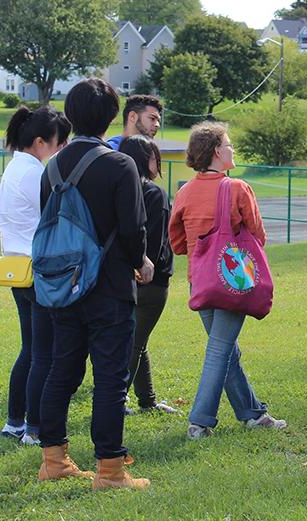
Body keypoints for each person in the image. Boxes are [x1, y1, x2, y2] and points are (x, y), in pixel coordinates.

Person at [37, 78, 153, 489]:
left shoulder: (52, 166)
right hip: (109, 288)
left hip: (63, 287)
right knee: (110, 378)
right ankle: (110, 471)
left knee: (60, 370)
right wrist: (140, 262)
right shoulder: (121, 164)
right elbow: (133, 229)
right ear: (112, 117)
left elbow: (48, 225)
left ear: (71, 114)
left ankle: (53, 460)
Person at [168, 122, 286, 440]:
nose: (233, 149)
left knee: (225, 349)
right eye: (229, 144)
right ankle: (200, 421)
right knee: (220, 349)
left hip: (200, 281)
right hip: (232, 279)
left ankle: (252, 415)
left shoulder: (184, 191)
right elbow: (258, 235)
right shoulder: (237, 188)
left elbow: (177, 243)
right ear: (218, 152)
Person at [0, 106, 71, 445]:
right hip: (37, 271)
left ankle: (15, 422)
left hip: (16, 269)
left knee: (30, 350)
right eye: (60, 142)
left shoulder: (15, 168)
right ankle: (35, 428)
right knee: (45, 353)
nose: (62, 149)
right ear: (40, 142)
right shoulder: (34, 174)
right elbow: (54, 216)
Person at [117, 135, 179, 415]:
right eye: (155, 156)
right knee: (134, 343)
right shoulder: (154, 193)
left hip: (121, 277)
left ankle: (148, 400)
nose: (158, 162)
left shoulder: (118, 190)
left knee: (138, 340)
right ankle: (115, 400)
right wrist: (144, 265)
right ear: (146, 160)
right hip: (150, 281)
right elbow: (153, 241)